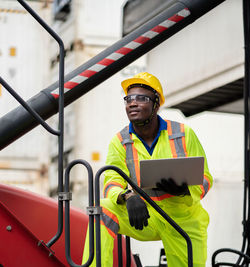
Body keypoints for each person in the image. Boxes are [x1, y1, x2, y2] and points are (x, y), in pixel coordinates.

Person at [82, 72, 212, 266]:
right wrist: (128, 197)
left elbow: (206, 178)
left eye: (141, 98)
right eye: (128, 99)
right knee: (101, 209)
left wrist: (183, 190)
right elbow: (111, 182)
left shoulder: (184, 134)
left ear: (156, 104)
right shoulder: (120, 142)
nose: (132, 103)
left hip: (183, 219)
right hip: (145, 215)